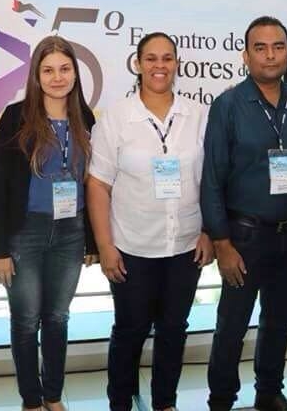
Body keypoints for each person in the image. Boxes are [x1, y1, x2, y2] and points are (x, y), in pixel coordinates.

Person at [201, 16, 287, 411]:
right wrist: (222, 242)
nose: (270, 55)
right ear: (246, 55)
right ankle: (221, 400)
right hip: (243, 238)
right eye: (260, 47)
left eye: (278, 47)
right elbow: (212, 179)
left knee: (278, 321)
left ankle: (268, 392)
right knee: (231, 327)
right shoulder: (228, 106)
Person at [87, 32, 213, 411]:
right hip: (132, 247)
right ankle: (120, 403)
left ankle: (164, 403)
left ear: (177, 64)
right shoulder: (116, 117)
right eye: (151, 58)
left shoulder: (198, 115)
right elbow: (98, 184)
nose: (160, 66)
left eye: (167, 58)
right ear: (138, 64)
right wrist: (105, 246)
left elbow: (212, 179)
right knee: (130, 331)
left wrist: (209, 231)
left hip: (185, 246)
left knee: (174, 330)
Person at [0, 35, 98, 411]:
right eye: (48, 70)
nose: (57, 77)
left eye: (64, 69)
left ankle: (53, 395)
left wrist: (93, 242)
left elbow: (92, 184)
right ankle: (31, 400)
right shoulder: (15, 117)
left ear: (75, 74)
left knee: (57, 317)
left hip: (71, 232)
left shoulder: (87, 118)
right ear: (36, 75)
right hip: (25, 233)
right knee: (25, 320)